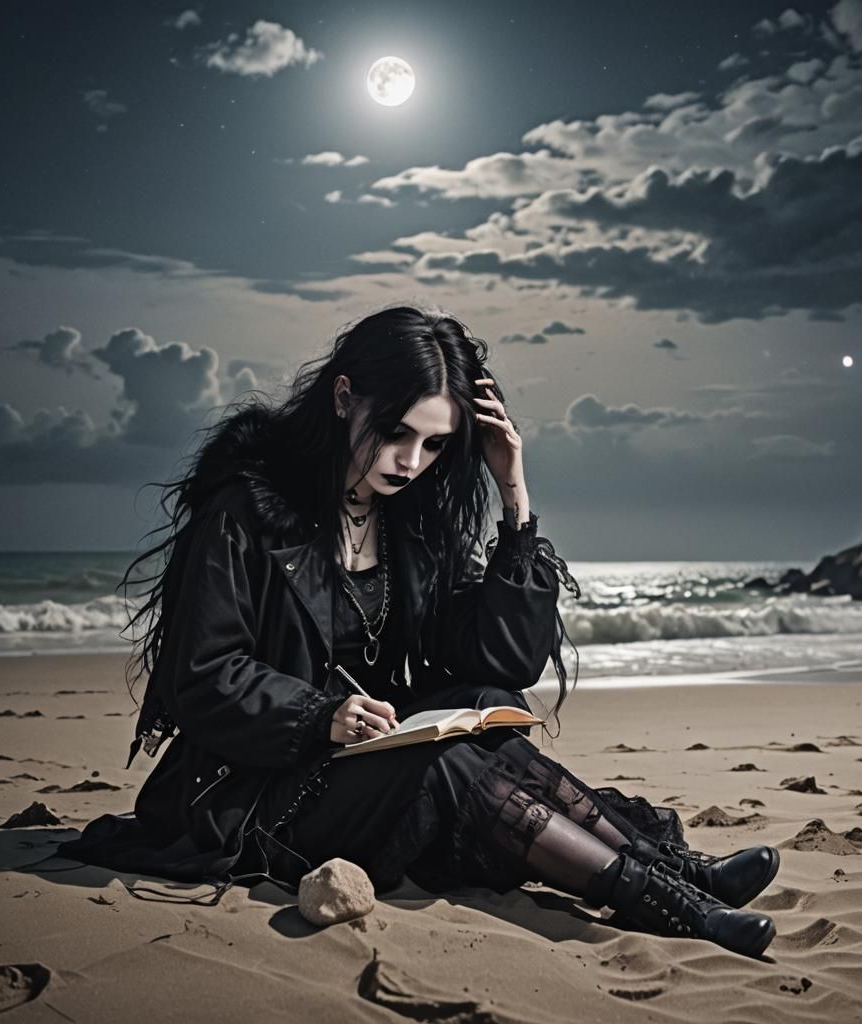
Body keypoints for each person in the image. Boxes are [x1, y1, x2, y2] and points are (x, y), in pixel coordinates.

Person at [58, 305, 780, 958]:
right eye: (397, 433)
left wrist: (515, 498)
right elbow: (202, 673)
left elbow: (506, 657)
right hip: (249, 792)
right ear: (345, 398)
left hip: (358, 766)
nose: (411, 462)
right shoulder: (246, 509)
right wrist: (321, 716)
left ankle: (676, 873)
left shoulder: (410, 522)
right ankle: (666, 903)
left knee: (485, 709)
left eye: (435, 445)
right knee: (445, 762)